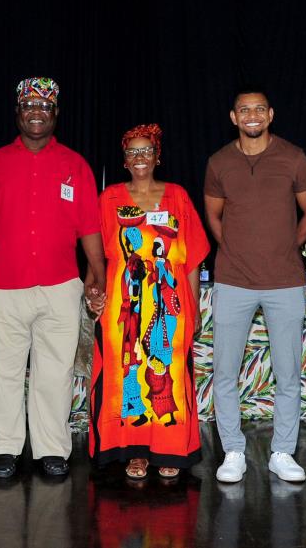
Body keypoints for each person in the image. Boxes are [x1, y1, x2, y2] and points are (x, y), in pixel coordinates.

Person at [0, 76, 106, 479]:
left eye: (44, 107)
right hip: (6, 286)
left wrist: (97, 273)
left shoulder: (74, 165)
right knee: (3, 371)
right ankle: (3, 448)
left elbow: (89, 228)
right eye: (29, 106)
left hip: (61, 285)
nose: (36, 113)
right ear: (18, 113)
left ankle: (51, 450)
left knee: (55, 371)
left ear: (55, 113)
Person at [204, 89, 306, 484]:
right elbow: (213, 216)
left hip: (285, 282)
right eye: (243, 110)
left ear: (270, 114)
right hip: (233, 281)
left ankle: (283, 453)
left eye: (258, 109)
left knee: (287, 373)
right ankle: (233, 451)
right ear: (234, 117)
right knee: (224, 372)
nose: (251, 115)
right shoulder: (219, 162)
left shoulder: (294, 157)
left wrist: (290, 245)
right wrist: (235, 250)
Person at [89, 124, 209, 479]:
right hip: (123, 302)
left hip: (168, 303)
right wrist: (92, 291)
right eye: (132, 152)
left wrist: (194, 303)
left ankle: (168, 449)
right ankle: (134, 451)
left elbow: (190, 258)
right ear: (124, 161)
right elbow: (94, 254)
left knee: (166, 370)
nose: (140, 157)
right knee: (126, 370)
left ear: (158, 156)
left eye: (146, 151)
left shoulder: (177, 196)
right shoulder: (109, 198)